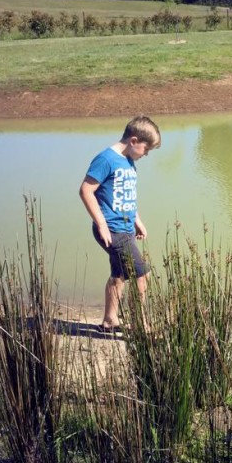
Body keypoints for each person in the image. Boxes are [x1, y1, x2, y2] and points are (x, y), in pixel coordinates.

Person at [79, 116, 161, 333]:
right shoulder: (106, 159)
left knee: (120, 275)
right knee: (142, 274)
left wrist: (137, 220)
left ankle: (109, 321)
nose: (147, 154)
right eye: (146, 149)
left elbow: (126, 195)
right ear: (133, 140)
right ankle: (140, 326)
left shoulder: (129, 161)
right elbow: (86, 190)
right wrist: (102, 225)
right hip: (112, 230)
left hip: (125, 228)